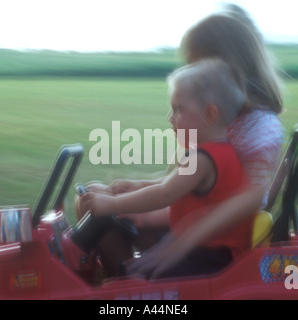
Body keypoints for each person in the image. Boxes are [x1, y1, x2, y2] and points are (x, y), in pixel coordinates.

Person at [77, 4, 285, 278]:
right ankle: (126, 278)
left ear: (225, 69)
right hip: (190, 213)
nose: (189, 74)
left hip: (211, 234)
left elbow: (247, 199)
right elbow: (179, 180)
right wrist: (137, 186)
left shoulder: (255, 127)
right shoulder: (215, 124)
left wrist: (177, 235)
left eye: (195, 66)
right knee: (95, 194)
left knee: (104, 213)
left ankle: (129, 285)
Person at [79, 58, 254, 279]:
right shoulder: (219, 152)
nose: (169, 118)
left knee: (143, 276)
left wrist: (111, 204)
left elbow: (165, 194)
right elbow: (170, 183)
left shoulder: (203, 158)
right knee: (141, 264)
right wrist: (137, 185)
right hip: (203, 248)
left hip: (209, 257)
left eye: (178, 110)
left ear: (210, 115)